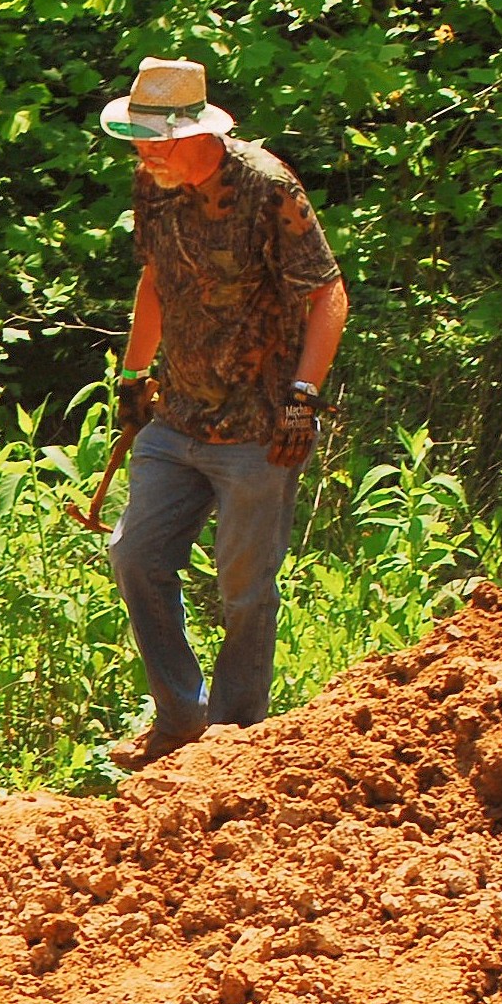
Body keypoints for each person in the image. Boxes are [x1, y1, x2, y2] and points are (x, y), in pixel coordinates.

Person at [97, 56, 349, 771]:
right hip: (176, 415)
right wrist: (133, 376)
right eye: (138, 142)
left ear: (197, 133)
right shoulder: (155, 184)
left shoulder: (268, 187)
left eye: (155, 142)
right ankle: (179, 720)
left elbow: (327, 295)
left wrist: (302, 397)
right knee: (135, 554)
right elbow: (155, 278)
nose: (144, 155)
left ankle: (234, 743)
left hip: (258, 429)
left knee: (243, 589)